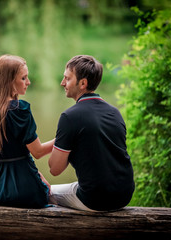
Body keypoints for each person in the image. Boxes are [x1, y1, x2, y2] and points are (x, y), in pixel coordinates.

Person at [48, 55, 135, 211]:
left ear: (83, 83)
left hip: (95, 199)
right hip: (125, 195)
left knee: (43, 190)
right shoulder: (114, 113)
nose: (62, 83)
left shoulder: (70, 116)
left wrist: (66, 141)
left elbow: (55, 169)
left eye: (67, 79)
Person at [0, 54, 54, 208]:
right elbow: (38, 152)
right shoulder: (19, 110)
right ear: (8, 81)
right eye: (23, 78)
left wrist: (38, 175)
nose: (28, 82)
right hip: (24, 187)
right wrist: (66, 138)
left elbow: (14, 153)